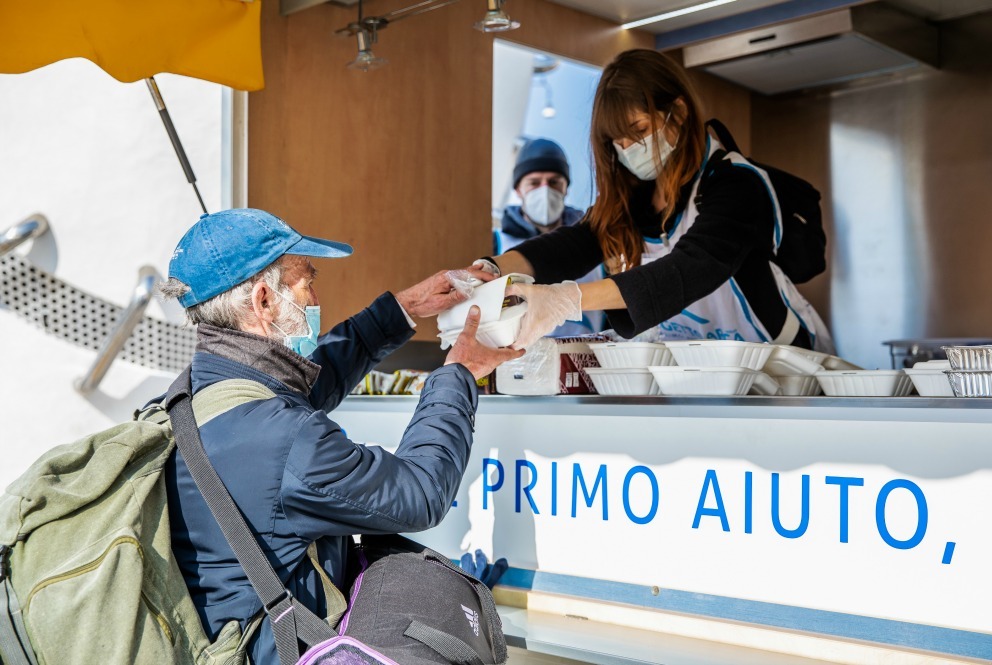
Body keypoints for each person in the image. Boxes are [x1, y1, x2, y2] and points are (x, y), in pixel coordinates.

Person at [156, 208, 522, 664]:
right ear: (264, 301)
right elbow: (421, 492)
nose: (315, 297)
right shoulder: (286, 441)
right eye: (307, 282)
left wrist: (404, 309)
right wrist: (459, 374)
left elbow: (302, 384)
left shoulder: (193, 398)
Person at [471, 49, 833, 353]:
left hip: (779, 362)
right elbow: (573, 244)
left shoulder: (736, 183)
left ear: (678, 111)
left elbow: (689, 268)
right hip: (701, 367)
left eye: (639, 131)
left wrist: (568, 299)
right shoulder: (636, 197)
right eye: (618, 141)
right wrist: (491, 269)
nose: (628, 149)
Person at [496, 138, 602, 337]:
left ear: (566, 188)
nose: (545, 190)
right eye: (534, 183)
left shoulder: (597, 243)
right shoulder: (498, 244)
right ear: (518, 189)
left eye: (554, 182)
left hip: (584, 360)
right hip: (516, 362)